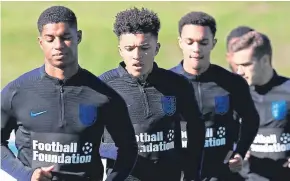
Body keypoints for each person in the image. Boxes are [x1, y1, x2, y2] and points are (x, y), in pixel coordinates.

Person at [1, 6, 138, 181]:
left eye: (65, 38)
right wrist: (27, 175)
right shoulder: (17, 92)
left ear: (78, 37)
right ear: (40, 41)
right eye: (50, 39)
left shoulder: (104, 96)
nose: (58, 46)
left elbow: (128, 148)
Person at [99, 7, 205, 181]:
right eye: (129, 48)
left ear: (157, 48)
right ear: (120, 50)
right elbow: (85, 135)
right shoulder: (103, 86)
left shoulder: (177, 85)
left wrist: (192, 172)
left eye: (144, 48)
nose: (137, 56)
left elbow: (196, 127)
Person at [170, 11, 260, 181]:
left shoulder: (233, 83)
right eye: (190, 42)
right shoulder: (166, 83)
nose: (196, 49)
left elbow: (251, 119)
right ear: (180, 43)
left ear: (213, 43)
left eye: (203, 42)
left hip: (222, 175)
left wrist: (239, 152)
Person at [228, 31, 290, 181]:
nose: (239, 71)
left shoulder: (287, 91)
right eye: (237, 66)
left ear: (265, 60)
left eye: (246, 64)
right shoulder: (235, 95)